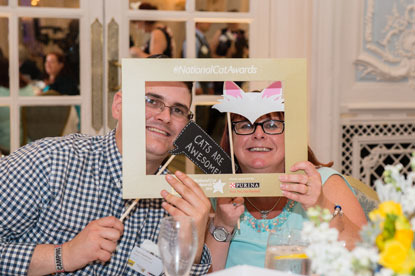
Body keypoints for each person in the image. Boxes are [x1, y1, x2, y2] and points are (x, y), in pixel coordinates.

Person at [0, 79, 212, 274]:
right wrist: (64, 255)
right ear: (119, 105)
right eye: (151, 100)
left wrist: (189, 253)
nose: (165, 117)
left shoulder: (178, 200)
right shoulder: (51, 161)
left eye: (178, 110)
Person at [206, 111, 367, 271]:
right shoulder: (217, 193)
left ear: (291, 137)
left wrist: (322, 205)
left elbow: (365, 258)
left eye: (272, 125)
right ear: (231, 139)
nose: (258, 134)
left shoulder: (324, 184)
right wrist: (223, 225)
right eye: (246, 126)